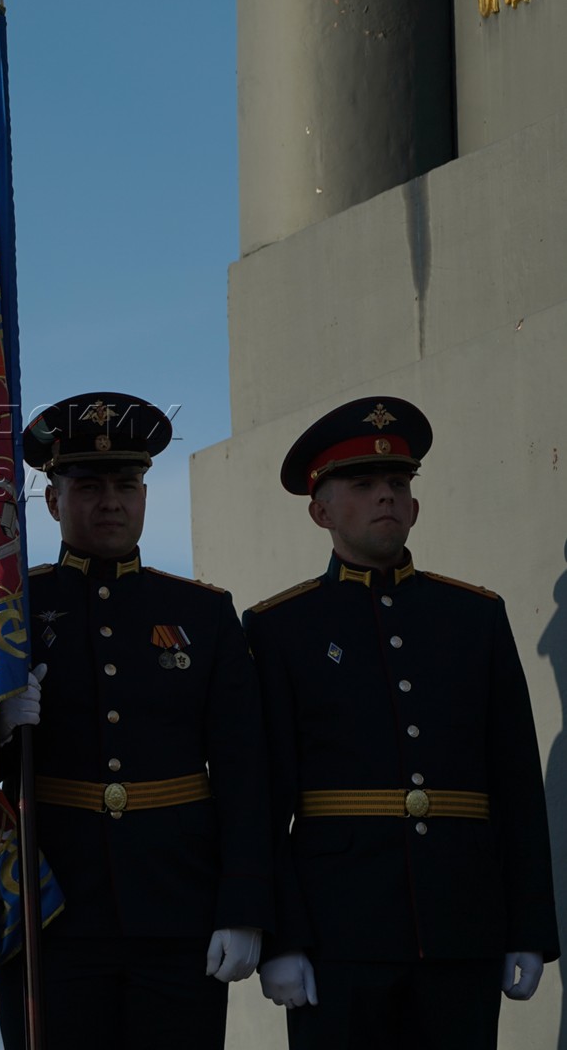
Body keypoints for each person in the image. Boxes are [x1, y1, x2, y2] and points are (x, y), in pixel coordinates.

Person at [248, 395, 559, 1047]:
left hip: (461, 927)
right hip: (338, 938)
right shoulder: (281, 629)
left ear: (415, 505)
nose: (385, 496)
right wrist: (278, 937)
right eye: (362, 484)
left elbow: (517, 787)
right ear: (320, 510)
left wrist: (529, 929)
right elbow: (262, 799)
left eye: (397, 483)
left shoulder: (474, 617)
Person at [0, 392, 270, 1050]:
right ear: (54, 500)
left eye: (127, 483)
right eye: (89, 485)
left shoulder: (202, 614)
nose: (111, 501)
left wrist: (244, 906)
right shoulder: (10, 612)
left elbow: (243, 772)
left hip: (179, 910)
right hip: (51, 910)